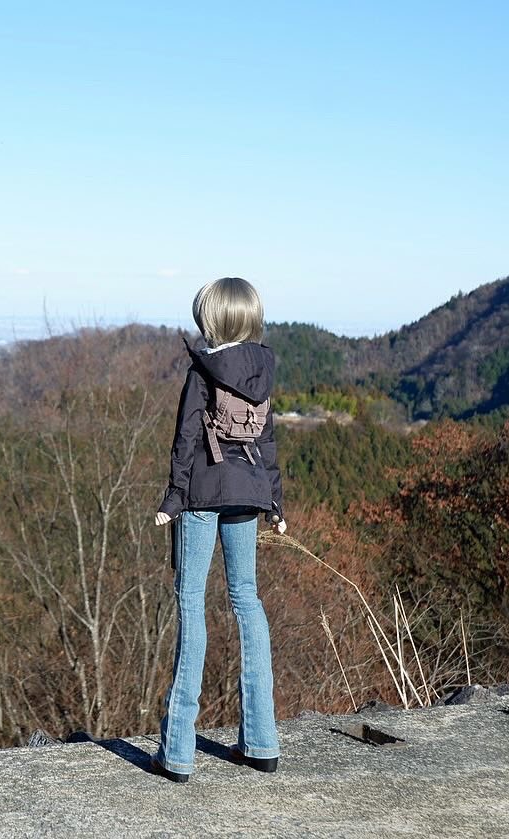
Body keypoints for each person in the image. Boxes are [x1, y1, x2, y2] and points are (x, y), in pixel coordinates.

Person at [150, 276, 287, 783]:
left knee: (191, 604)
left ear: (211, 319)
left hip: (205, 495)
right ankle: (262, 742)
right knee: (246, 601)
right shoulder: (263, 370)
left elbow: (186, 439)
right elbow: (267, 440)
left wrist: (172, 499)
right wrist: (274, 501)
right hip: (249, 496)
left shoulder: (203, 370)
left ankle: (179, 750)